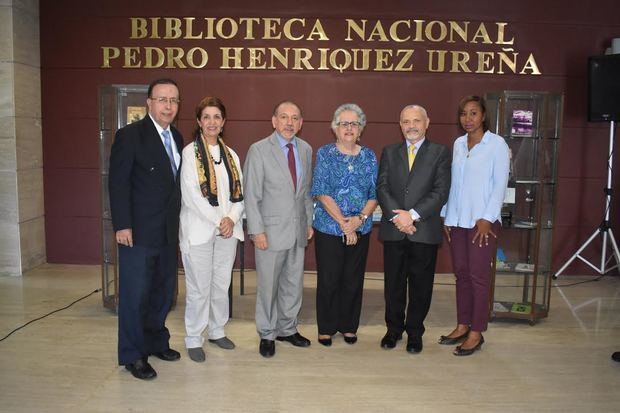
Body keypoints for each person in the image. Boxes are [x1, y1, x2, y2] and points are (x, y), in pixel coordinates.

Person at [109, 78, 183, 380]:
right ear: (149, 103)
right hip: (137, 233)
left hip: (167, 232)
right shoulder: (129, 136)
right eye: (162, 99)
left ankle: (155, 342)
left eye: (174, 100)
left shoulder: (177, 138)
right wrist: (122, 225)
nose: (168, 105)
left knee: (162, 292)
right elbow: (118, 183)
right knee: (134, 296)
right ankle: (133, 354)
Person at [376, 104, 451, 354]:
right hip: (395, 228)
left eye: (416, 121)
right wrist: (400, 218)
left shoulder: (440, 152)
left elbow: (441, 191)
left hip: (424, 229)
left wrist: (413, 215)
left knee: (421, 285)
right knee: (394, 284)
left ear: (427, 122)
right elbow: (382, 187)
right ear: (400, 125)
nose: (411, 126)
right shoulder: (389, 151)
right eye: (406, 121)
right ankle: (393, 330)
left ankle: (415, 333)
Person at [243, 101, 314, 358]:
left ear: (301, 123)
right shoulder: (260, 150)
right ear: (274, 121)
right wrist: (256, 231)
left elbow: (305, 191)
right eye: (283, 117)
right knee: (269, 286)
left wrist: (308, 221)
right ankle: (267, 333)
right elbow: (251, 195)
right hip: (269, 233)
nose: (289, 122)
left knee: (293, 284)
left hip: (297, 230)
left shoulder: (305, 149)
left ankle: (287, 328)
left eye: (294, 118)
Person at [439, 95, 509, 356]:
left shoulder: (497, 144)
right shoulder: (458, 144)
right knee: (462, 275)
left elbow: (500, 184)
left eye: (473, 114)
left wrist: (487, 218)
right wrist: (447, 214)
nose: (467, 119)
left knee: (479, 277)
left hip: (482, 224)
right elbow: (453, 183)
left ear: (483, 116)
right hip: (458, 220)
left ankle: (477, 332)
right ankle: (462, 324)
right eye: (463, 114)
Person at [179, 97, 244, 363]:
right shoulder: (189, 153)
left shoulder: (232, 155)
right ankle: (194, 337)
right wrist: (221, 220)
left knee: (220, 285)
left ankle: (217, 330)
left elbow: (241, 194)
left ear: (223, 121)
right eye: (206, 117)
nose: (212, 122)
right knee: (198, 288)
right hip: (199, 230)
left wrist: (231, 219)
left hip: (228, 231)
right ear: (198, 122)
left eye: (217, 117)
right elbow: (192, 196)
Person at [311, 103, 378, 347]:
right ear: (335, 128)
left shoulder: (369, 156)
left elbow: (374, 193)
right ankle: (326, 327)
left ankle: (349, 326)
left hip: (361, 226)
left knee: (353, 278)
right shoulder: (325, 153)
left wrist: (358, 220)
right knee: (329, 279)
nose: (349, 128)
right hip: (329, 227)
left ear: (360, 129)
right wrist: (343, 223)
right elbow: (320, 191)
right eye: (344, 124)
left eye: (354, 124)